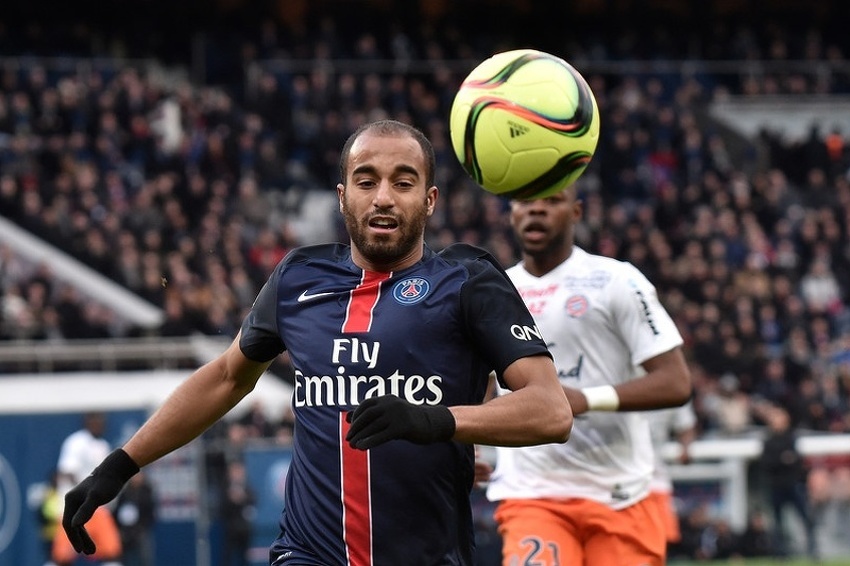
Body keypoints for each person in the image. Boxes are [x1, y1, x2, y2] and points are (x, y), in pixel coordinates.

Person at [60, 119, 573, 566]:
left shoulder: (468, 281)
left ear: (430, 199)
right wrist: (120, 464)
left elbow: (550, 410)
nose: (384, 197)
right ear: (342, 195)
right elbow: (224, 378)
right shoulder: (298, 277)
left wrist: (437, 421)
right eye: (366, 180)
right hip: (307, 554)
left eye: (404, 182)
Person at [485, 187, 692, 566]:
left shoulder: (617, 281)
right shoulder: (493, 291)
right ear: (511, 212)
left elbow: (676, 382)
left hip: (619, 492)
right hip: (532, 493)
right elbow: (482, 382)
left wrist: (585, 399)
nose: (537, 211)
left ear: (577, 211)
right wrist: (469, 450)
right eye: (527, 202)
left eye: (551, 201)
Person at [52, 411, 123, 566]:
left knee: (112, 552)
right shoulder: (76, 442)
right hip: (74, 507)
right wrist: (87, 492)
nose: (99, 425)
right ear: (87, 422)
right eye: (95, 421)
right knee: (62, 557)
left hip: (97, 508)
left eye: (101, 422)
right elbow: (67, 471)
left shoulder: (102, 445)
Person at [756, 403, 819, 559]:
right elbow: (767, 463)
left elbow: (796, 461)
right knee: (777, 522)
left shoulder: (792, 437)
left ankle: (812, 550)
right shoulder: (768, 441)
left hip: (793, 484)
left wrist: (785, 460)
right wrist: (784, 459)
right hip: (777, 485)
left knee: (805, 518)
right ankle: (780, 553)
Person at [645, 400, 698, 548]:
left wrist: (686, 449)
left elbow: (686, 425)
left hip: (654, 476)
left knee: (661, 537)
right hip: (618, 476)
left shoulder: (669, 383)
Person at [114, 471, 156, 566]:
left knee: (143, 557)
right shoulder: (125, 493)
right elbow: (117, 511)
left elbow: (150, 514)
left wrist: (141, 528)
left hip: (141, 532)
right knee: (126, 558)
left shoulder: (147, 492)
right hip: (125, 532)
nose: (136, 478)